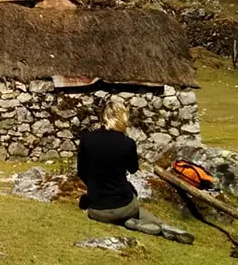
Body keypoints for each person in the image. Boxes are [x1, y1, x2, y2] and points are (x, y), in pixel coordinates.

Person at [76, 99, 195, 244]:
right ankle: (161, 225)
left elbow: (81, 171)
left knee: (114, 209)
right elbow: (133, 169)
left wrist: (94, 187)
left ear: (103, 116)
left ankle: (130, 223)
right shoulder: (127, 143)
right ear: (123, 118)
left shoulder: (86, 139)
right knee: (130, 201)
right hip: (125, 206)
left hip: (97, 210)